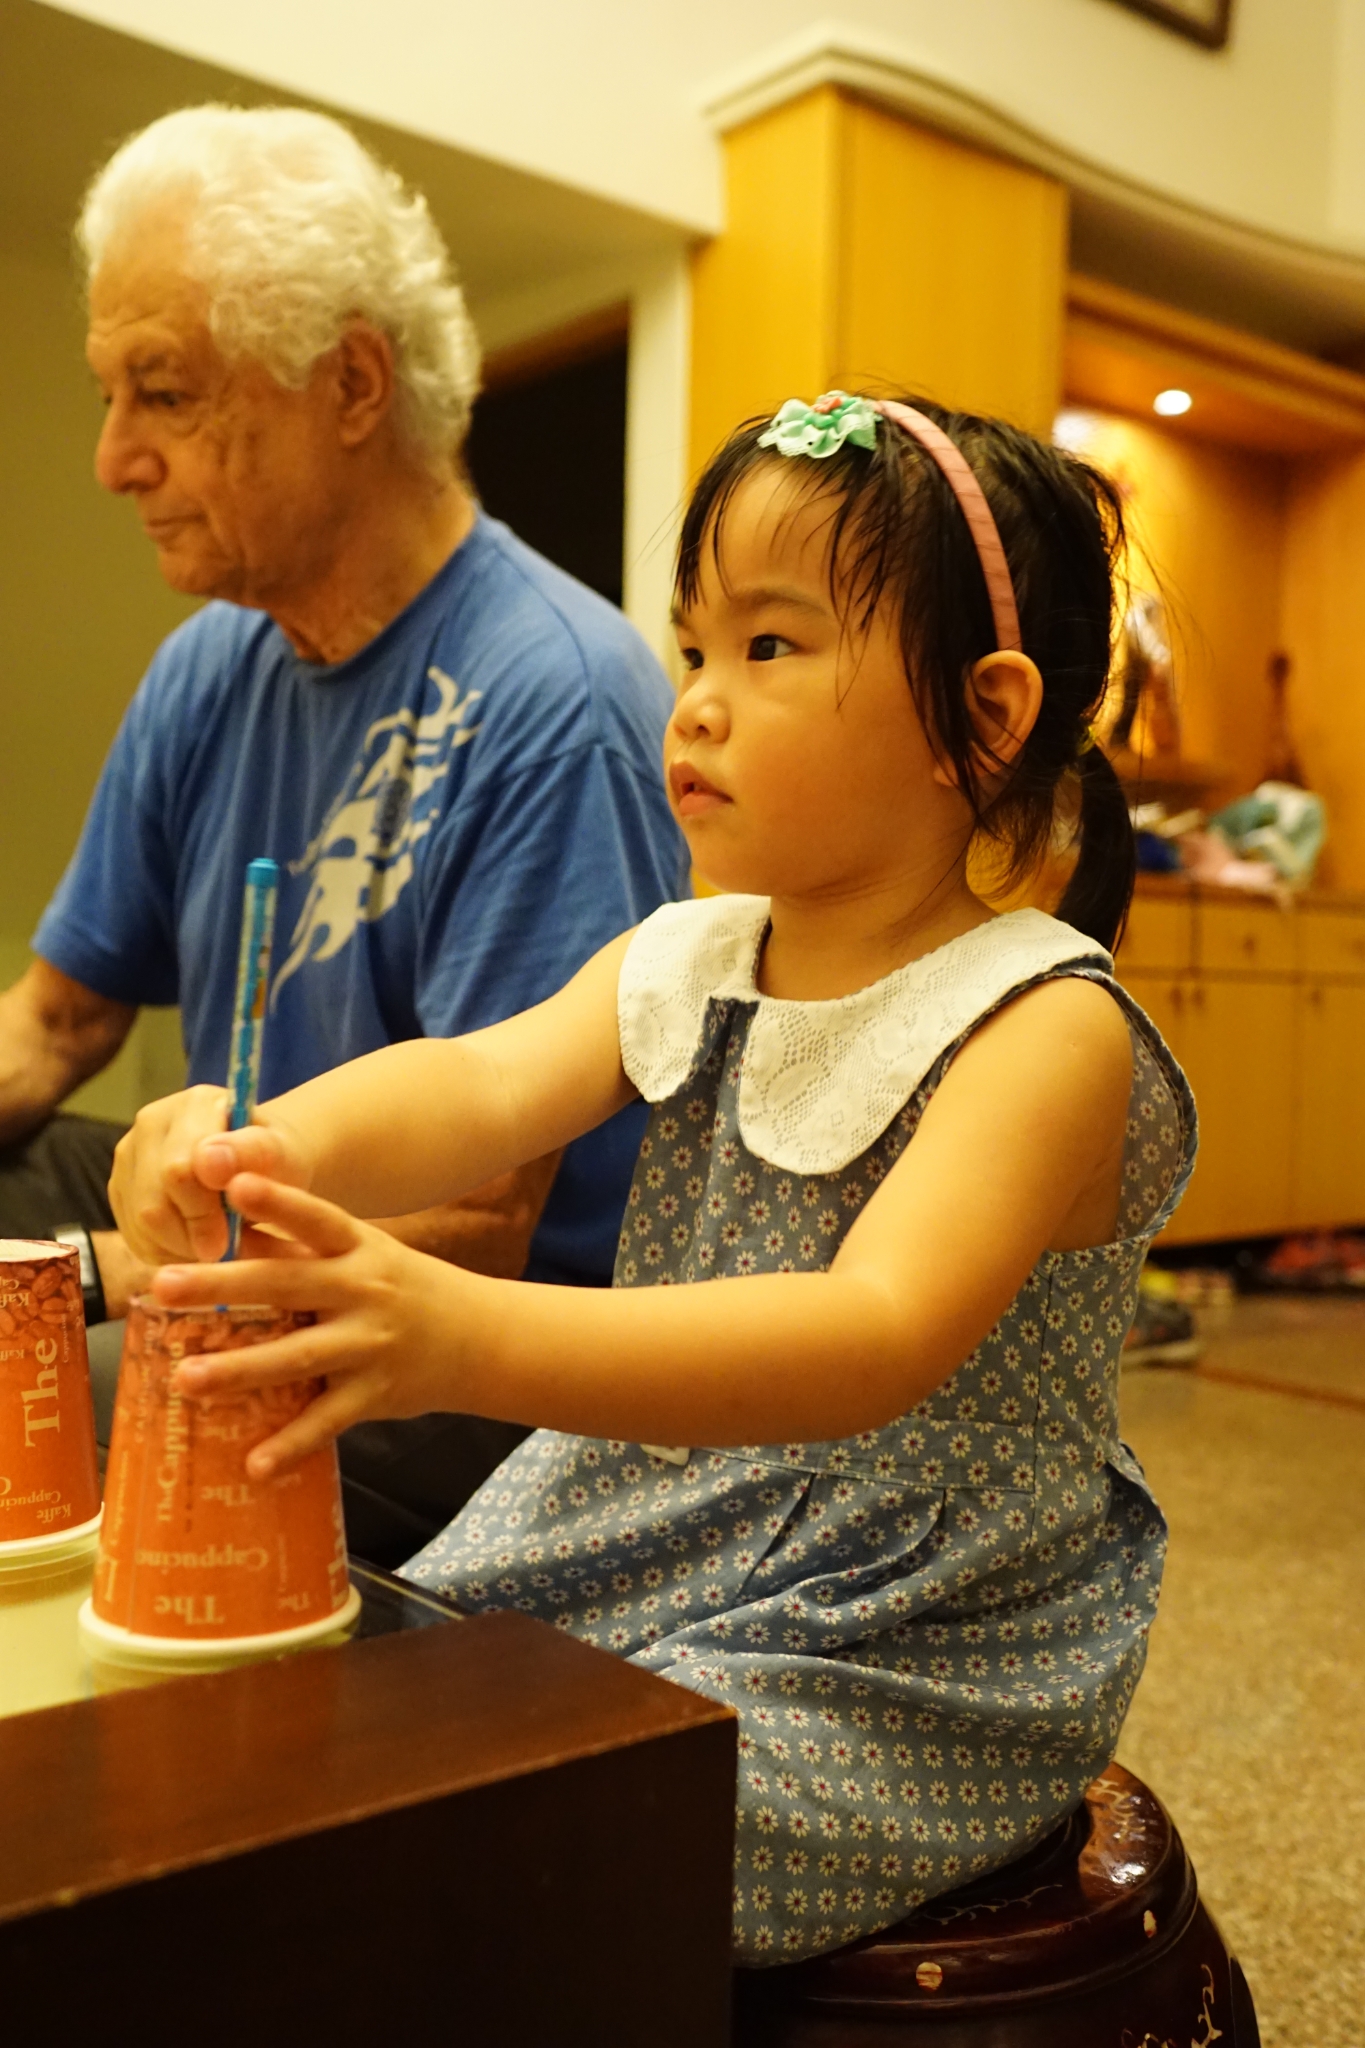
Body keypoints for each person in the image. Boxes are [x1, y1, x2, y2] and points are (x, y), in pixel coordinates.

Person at [111, 389, 1196, 1966]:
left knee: (580, 1829)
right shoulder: (694, 953)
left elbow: (872, 1333)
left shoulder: (1042, 1024)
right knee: (365, 1730)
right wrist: (261, 1137)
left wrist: (461, 1334)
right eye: (693, 649)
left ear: (984, 713)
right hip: (647, 1513)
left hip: (903, 1632)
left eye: (769, 645)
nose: (693, 704)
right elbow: (481, 1083)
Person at [0, 105, 687, 1555]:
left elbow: (474, 1224)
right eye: (112, 396)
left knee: (39, 1374)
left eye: (163, 394)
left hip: (467, 1346)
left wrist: (86, 1274)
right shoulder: (207, 667)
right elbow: (55, 1023)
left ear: (353, 384)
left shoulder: (554, 695)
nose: (113, 458)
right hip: (243, 1221)